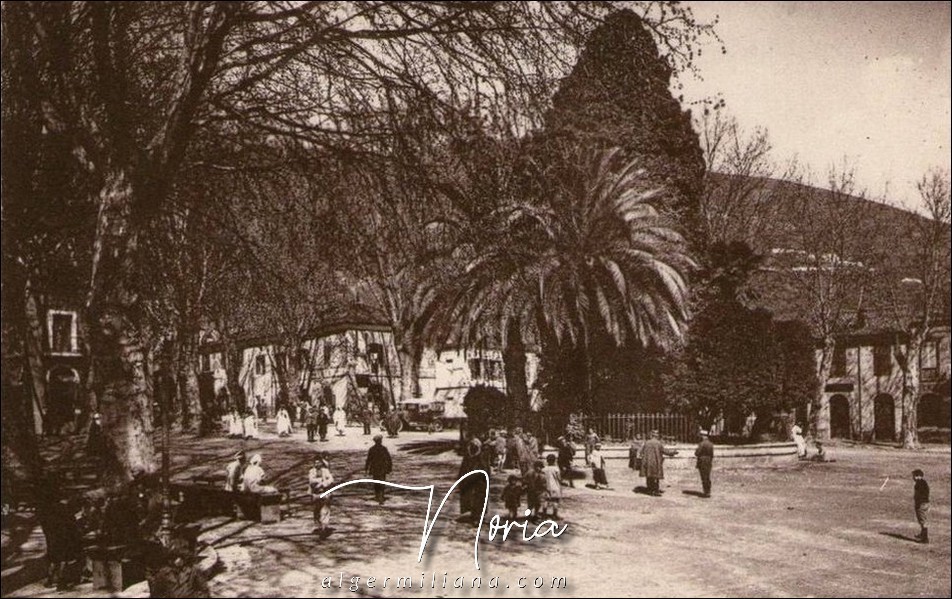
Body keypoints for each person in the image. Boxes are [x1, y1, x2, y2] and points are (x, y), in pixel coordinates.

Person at [640, 430, 677, 496]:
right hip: (656, 462)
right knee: (656, 477)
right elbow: (664, 451)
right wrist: (672, 453)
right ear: (656, 436)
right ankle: (655, 490)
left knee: (649, 476)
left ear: (651, 435)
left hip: (648, 462)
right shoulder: (658, 443)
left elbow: (641, 452)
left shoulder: (646, 443)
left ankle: (649, 490)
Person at [309, 455, 335, 537]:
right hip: (316, 494)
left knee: (325, 511)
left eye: (319, 462)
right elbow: (311, 481)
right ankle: (319, 526)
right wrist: (320, 480)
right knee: (316, 511)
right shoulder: (311, 471)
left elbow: (331, 479)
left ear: (321, 463)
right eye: (315, 463)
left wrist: (323, 484)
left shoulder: (325, 471)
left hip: (325, 493)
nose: (317, 464)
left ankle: (324, 528)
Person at [365, 435, 393, 504]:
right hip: (382, 468)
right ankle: (381, 496)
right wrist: (389, 468)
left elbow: (368, 460)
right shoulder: (384, 449)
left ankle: (378, 496)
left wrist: (366, 468)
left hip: (375, 469)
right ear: (380, 441)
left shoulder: (372, 449)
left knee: (376, 482)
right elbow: (389, 459)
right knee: (382, 482)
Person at [541, 454, 563, 520]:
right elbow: (559, 478)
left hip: (546, 486)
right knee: (555, 501)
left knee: (546, 500)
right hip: (555, 486)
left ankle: (544, 514)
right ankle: (555, 515)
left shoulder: (544, 469)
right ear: (554, 461)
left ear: (547, 461)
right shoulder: (556, 469)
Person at [912, 469, 930, 544]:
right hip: (925, 503)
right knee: (923, 520)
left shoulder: (918, 484)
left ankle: (925, 538)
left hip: (921, 504)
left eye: (914, 476)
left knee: (923, 521)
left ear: (917, 476)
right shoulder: (924, 482)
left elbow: (919, 495)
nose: (913, 477)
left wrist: (918, 503)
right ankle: (922, 534)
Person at [694, 430, 714, 498]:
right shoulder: (711, 444)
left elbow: (697, 453)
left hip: (702, 461)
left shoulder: (701, 444)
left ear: (703, 435)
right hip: (708, 461)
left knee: (703, 477)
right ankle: (708, 491)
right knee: (708, 476)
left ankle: (705, 492)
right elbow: (712, 454)